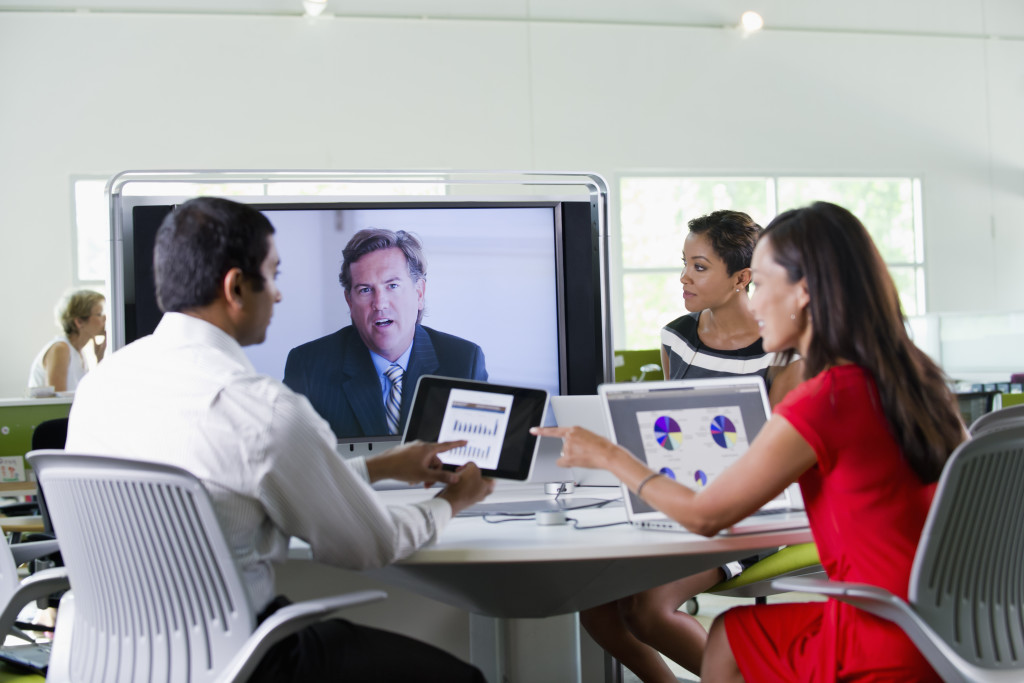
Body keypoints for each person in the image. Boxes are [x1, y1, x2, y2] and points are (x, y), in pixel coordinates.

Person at [65, 197, 493, 682]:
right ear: (235, 288)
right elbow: (373, 542)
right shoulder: (259, 410)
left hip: (116, 662)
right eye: (273, 274)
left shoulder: (101, 385)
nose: (280, 295)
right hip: (243, 662)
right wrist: (455, 500)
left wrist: (382, 466)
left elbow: (243, 487)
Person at [535, 201, 965, 681]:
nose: (755, 303)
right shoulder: (918, 378)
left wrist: (609, 454)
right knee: (729, 634)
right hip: (947, 622)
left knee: (730, 639)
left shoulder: (825, 397)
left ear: (802, 293)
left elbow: (707, 515)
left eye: (760, 285)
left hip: (883, 632)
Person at [578, 210, 802, 682]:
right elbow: (667, 432)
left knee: (647, 610)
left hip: (749, 511)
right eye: (684, 263)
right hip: (680, 504)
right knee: (596, 608)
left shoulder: (780, 350)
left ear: (742, 278)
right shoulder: (676, 338)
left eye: (699, 266)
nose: (684, 277)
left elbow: (779, 461)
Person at [284, 228, 488, 439]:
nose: (379, 304)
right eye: (365, 290)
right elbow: (290, 463)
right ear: (349, 301)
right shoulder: (309, 366)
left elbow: (477, 461)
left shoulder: (464, 362)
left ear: (419, 293)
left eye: (392, 285)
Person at [27, 289, 107, 393]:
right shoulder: (60, 349)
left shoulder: (79, 353)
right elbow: (58, 401)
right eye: (99, 314)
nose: (105, 318)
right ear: (79, 321)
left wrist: (99, 359)